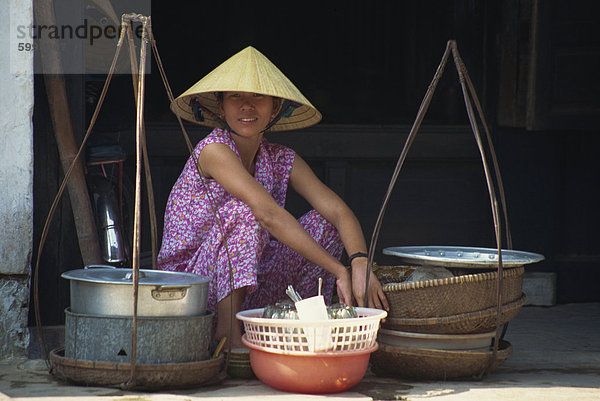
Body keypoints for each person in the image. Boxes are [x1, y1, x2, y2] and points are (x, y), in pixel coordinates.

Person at [158, 46, 388, 349]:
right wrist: (338, 269)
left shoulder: (280, 158)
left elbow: (337, 212)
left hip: (251, 281)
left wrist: (359, 262)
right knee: (243, 213)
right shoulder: (214, 150)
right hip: (191, 289)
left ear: (275, 106)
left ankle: (303, 331)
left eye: (258, 97)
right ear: (222, 106)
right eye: (236, 97)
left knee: (324, 225)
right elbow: (265, 212)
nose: (247, 106)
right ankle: (228, 341)